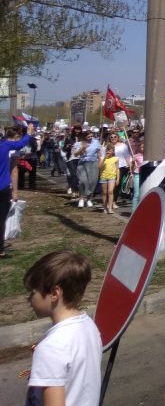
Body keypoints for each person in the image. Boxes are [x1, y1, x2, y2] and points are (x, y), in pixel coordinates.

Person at [23, 250, 102, 406]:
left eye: (33, 293)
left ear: (54, 293)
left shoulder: (51, 348)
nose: (29, 299)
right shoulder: (88, 326)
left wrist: (46, 356)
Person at [0, 125, 34, 253]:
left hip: (3, 187)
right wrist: (29, 133)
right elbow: (20, 144)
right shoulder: (5, 146)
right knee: (1, 219)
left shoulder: (5, 145)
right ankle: (0, 249)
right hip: (2, 187)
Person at [75, 131, 100, 210]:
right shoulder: (79, 143)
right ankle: (81, 198)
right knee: (82, 181)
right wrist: (82, 148)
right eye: (88, 137)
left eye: (91, 136)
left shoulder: (96, 142)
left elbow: (99, 153)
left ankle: (89, 198)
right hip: (82, 163)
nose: (90, 138)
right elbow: (75, 154)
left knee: (92, 182)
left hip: (93, 163)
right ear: (84, 137)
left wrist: (100, 162)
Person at [98, 142, 119, 214]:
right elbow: (99, 167)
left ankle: (110, 208)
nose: (108, 152)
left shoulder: (116, 158)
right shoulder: (102, 158)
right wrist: (104, 158)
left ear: (113, 151)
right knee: (104, 193)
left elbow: (117, 169)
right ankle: (104, 207)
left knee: (110, 192)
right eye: (107, 150)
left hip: (112, 177)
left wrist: (118, 178)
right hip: (103, 177)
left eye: (110, 150)